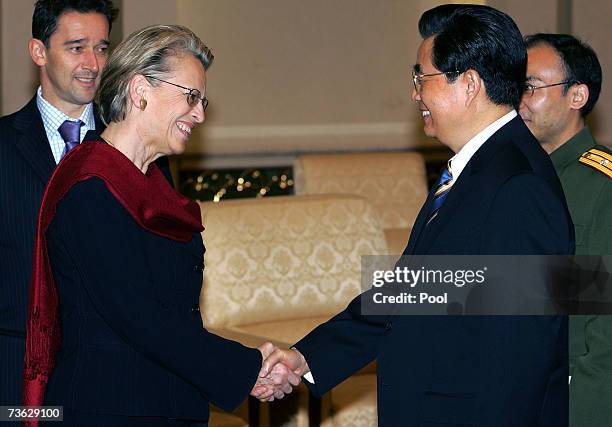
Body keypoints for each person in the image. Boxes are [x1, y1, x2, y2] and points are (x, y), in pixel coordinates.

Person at [256, 5, 574, 426]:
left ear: (470, 84)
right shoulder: (476, 171)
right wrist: (306, 358)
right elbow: (414, 292)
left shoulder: (517, 187)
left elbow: (518, 361)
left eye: (422, 78)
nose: (415, 94)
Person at [22, 24, 297, 426]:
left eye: (202, 100)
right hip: (110, 408)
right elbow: (138, 315)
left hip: (169, 402)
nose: (200, 114)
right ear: (140, 91)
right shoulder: (89, 186)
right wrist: (247, 367)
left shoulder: (154, 179)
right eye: (191, 97)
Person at [0, 0, 117, 406]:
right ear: (38, 51)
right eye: (76, 47)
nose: (93, 63)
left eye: (102, 48)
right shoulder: (1, 147)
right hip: (14, 374)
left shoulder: (134, 148)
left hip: (110, 378)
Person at [519, 33, 612, 427]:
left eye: (531, 87)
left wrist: (585, 412)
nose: (518, 99)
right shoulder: (520, 179)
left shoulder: (600, 185)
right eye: (513, 86)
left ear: (577, 96)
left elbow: (603, 327)